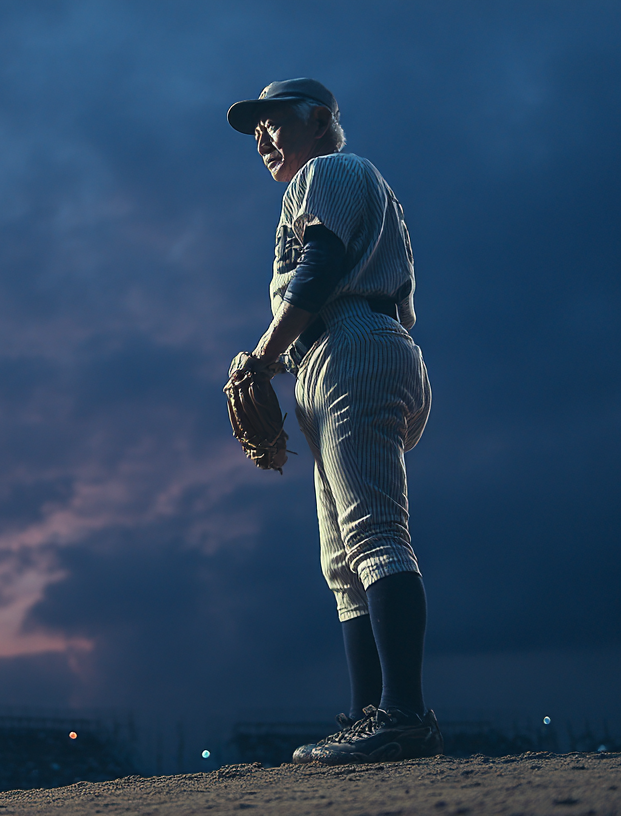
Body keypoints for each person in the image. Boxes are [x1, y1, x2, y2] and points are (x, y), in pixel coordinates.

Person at [226, 78, 442, 764]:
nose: (262, 135)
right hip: (335, 355)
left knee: (376, 534)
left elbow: (318, 272)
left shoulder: (330, 169)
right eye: (253, 128)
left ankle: (404, 714)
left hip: (358, 347)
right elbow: (316, 295)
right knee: (342, 561)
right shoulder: (324, 181)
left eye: (273, 120)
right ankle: (368, 716)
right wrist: (276, 366)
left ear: (318, 120)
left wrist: (261, 357)